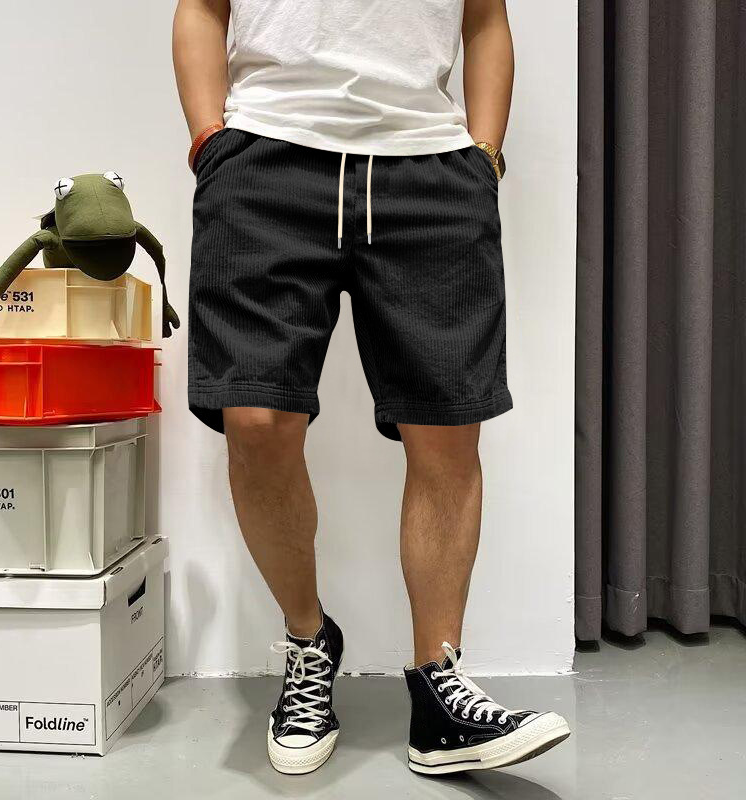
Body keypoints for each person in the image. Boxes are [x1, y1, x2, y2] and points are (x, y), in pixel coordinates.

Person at [173, 0, 570, 776]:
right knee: (255, 418)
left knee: (446, 427)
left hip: (429, 167)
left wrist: (484, 157)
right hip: (265, 160)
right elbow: (202, 8)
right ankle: (308, 640)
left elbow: (486, 18)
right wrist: (208, 142)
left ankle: (439, 691)